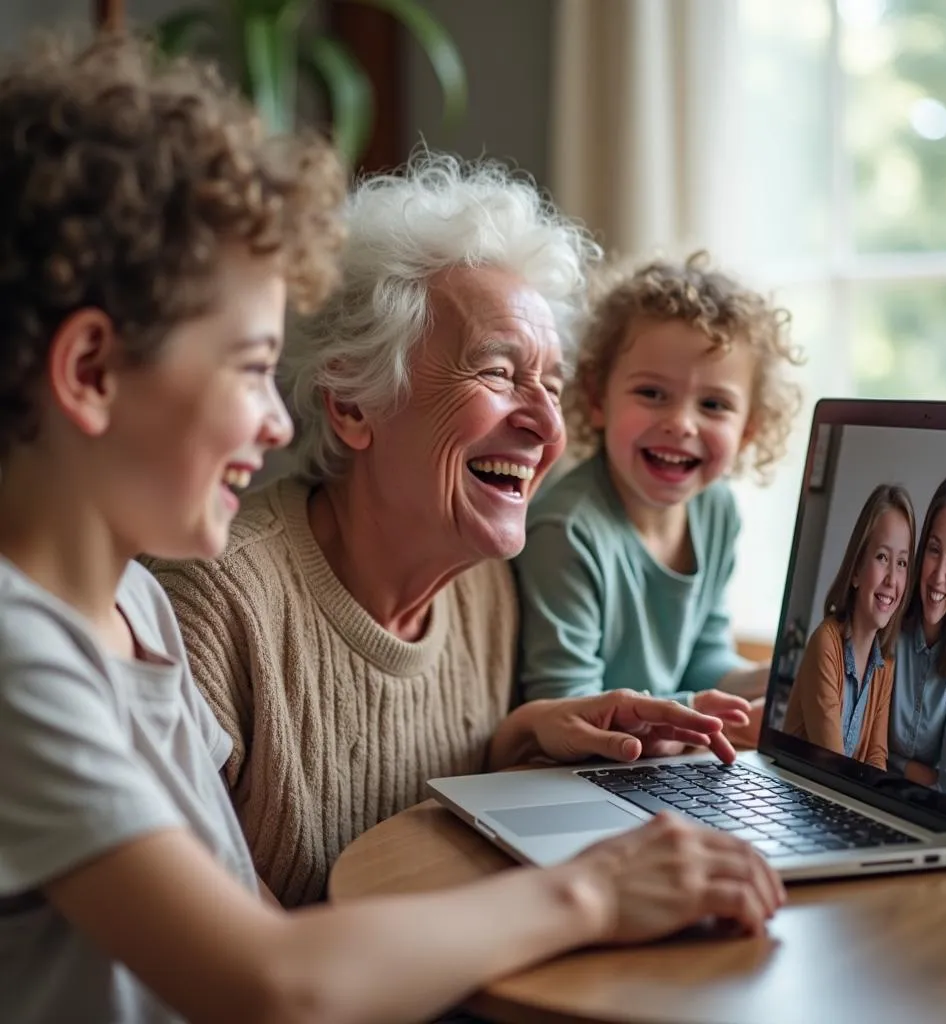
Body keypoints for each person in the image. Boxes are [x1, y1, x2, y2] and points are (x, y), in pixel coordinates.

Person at [0, 33, 785, 1024]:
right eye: (249, 367)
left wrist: (510, 741)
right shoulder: (31, 655)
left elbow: (239, 904)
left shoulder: (132, 604)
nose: (277, 419)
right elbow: (270, 981)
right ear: (90, 373)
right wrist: (594, 889)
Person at [146, 156, 758, 906]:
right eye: (500, 373)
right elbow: (247, 970)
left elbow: (426, 815)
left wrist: (525, 739)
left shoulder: (489, 589)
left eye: (553, 386)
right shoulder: (209, 602)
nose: (544, 425)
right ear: (352, 405)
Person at [512, 254, 803, 745]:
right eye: (652, 393)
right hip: (579, 772)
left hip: (657, 763)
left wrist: (765, 683)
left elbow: (702, 658)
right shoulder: (567, 531)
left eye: (714, 405)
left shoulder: (716, 511)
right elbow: (571, 711)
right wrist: (704, 719)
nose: (682, 423)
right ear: (599, 400)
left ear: (748, 429)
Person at [782, 484, 916, 770]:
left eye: (902, 563)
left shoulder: (885, 664)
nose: (893, 579)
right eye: (882, 557)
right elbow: (833, 764)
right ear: (856, 570)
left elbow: (877, 757)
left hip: (836, 802)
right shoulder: (825, 644)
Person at [888, 475, 946, 800]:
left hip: (918, 812)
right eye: (934, 550)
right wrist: (914, 771)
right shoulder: (890, 630)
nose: (939, 575)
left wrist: (895, 764)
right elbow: (859, 747)